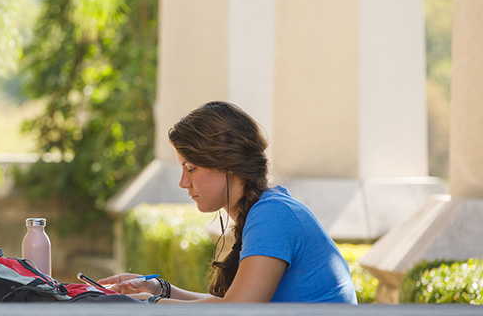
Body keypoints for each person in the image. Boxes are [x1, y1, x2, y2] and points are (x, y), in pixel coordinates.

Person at [98, 101, 357, 304]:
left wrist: (147, 304)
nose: (183, 183)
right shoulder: (266, 210)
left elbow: (236, 310)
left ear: (227, 165)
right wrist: (158, 289)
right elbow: (228, 303)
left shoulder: (274, 215)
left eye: (191, 168)